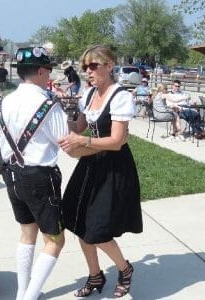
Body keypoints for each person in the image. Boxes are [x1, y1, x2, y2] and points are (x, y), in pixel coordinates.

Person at [59, 45, 141, 298]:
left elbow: (117, 141)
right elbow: (80, 125)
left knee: (98, 229)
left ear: (109, 65)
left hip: (113, 166)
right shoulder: (89, 94)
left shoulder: (121, 97)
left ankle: (125, 269)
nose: (88, 72)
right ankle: (95, 275)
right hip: (90, 164)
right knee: (78, 222)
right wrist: (56, 114)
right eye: (85, 67)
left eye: (93, 66)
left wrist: (83, 142)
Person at [0, 47, 68, 300]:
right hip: (39, 177)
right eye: (48, 69)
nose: (50, 73)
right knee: (55, 240)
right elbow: (65, 141)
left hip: (11, 173)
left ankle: (21, 292)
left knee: (27, 234)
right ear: (40, 71)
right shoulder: (48, 103)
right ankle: (29, 297)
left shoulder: (4, 101)